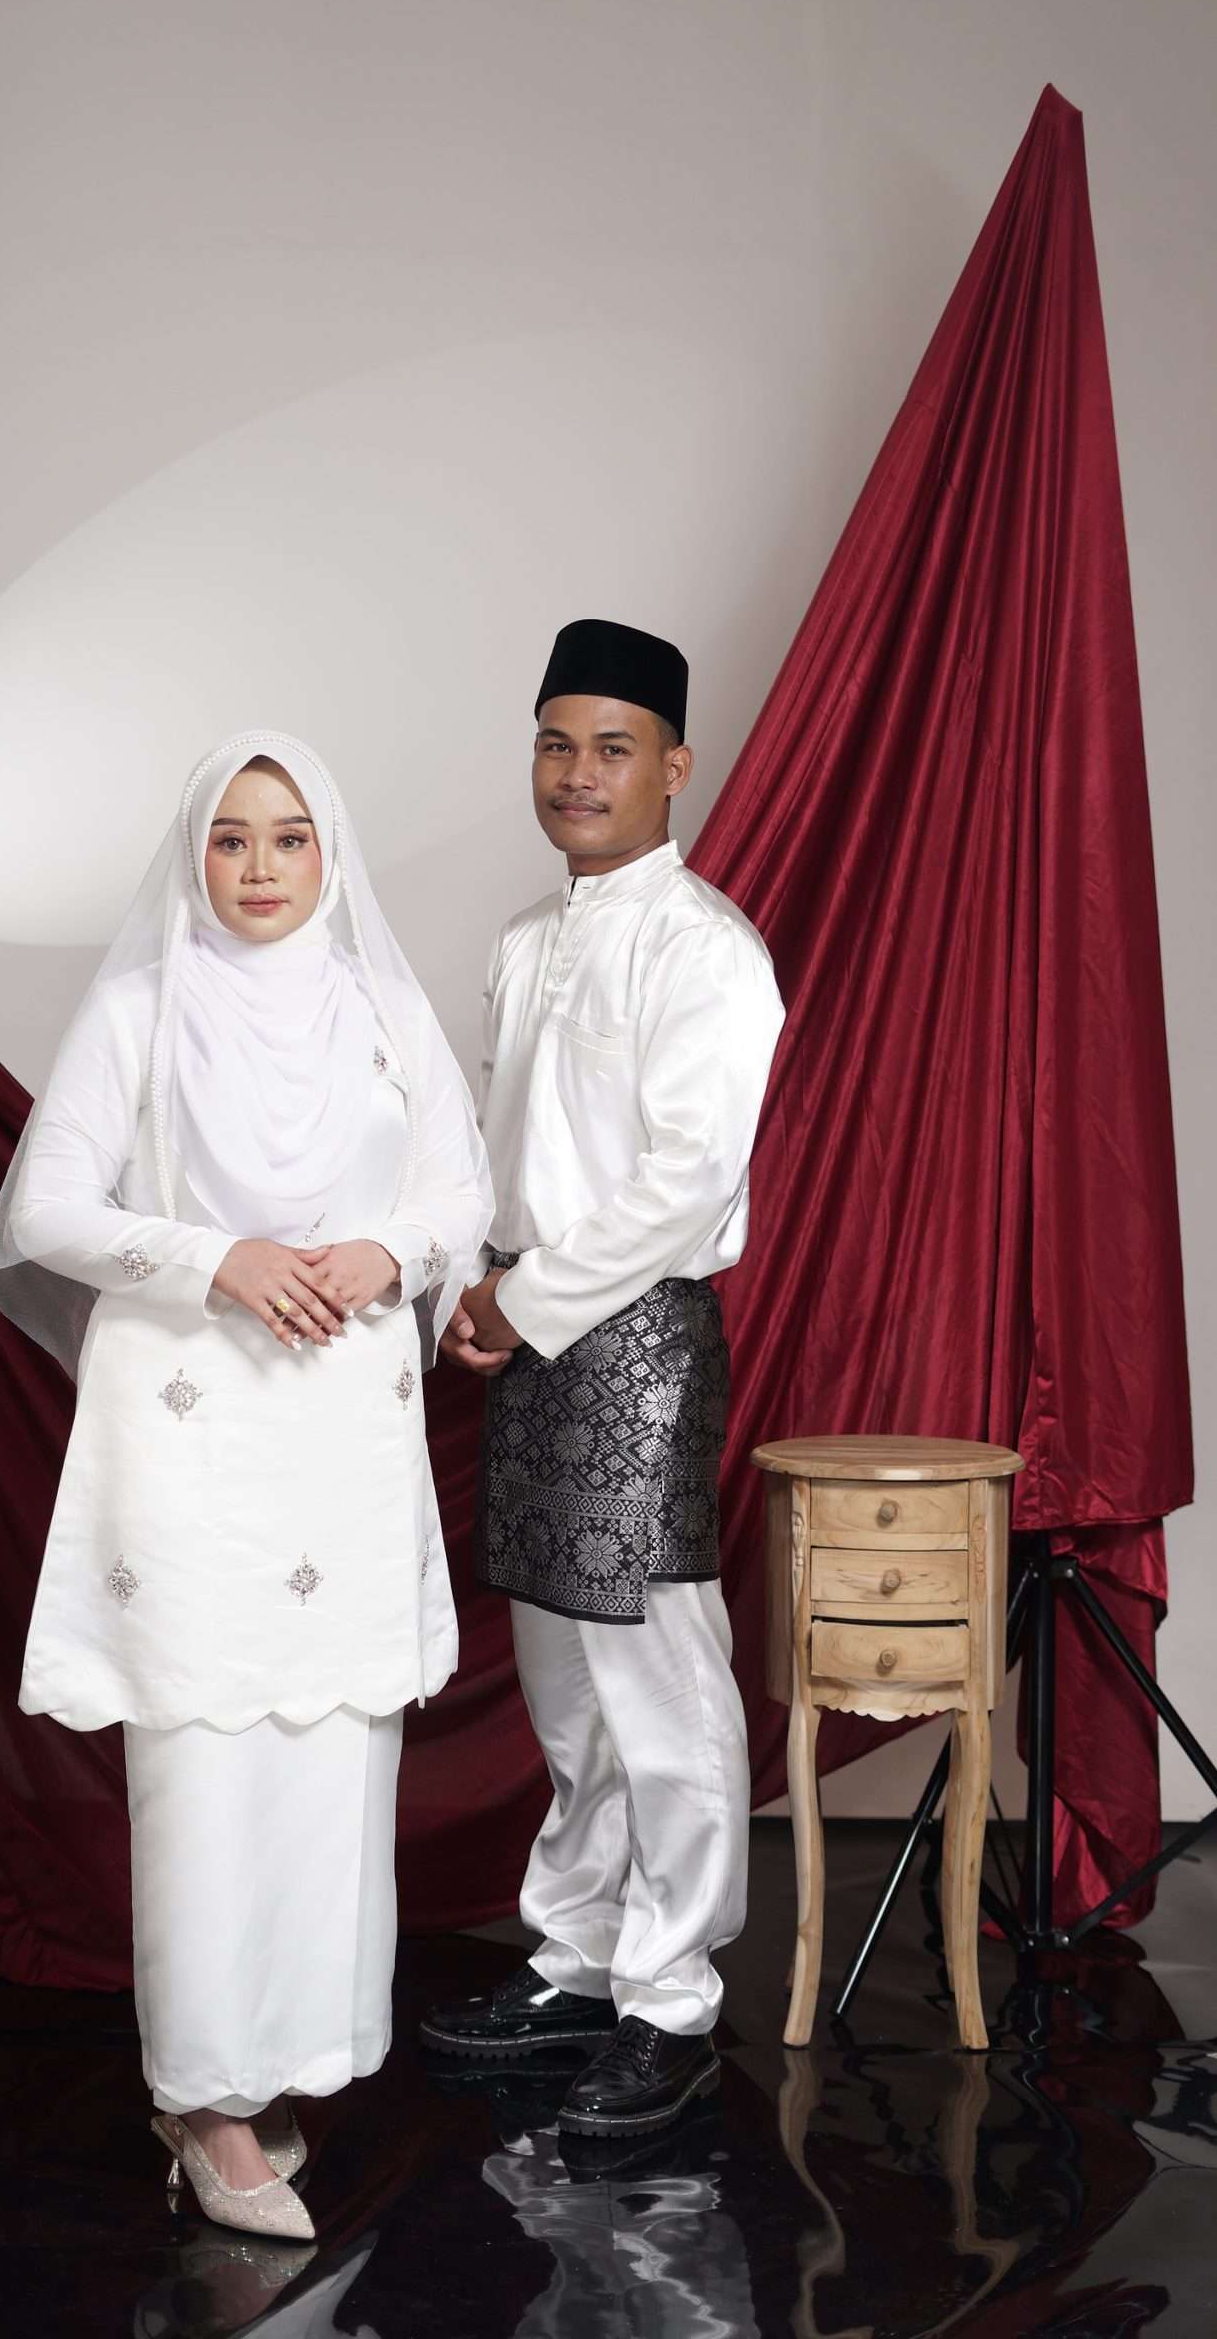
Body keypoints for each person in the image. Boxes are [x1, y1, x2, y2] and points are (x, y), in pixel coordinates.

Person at [0, 731, 492, 2237]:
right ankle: (203, 2107)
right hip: (192, 1435)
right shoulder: (139, 1007)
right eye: (231, 838)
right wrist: (220, 1259)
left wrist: (387, 1250)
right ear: (193, 854)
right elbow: (46, 1208)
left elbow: (458, 1188)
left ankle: (272, 2074)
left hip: (340, 1441)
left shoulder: (381, 1005)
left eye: (289, 836)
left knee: (328, 1755)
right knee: (201, 1763)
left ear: (332, 852)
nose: (261, 868)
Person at [420, 619, 783, 2138]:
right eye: (555, 744)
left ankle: (672, 1998)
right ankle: (576, 1962)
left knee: (661, 1685)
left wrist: (520, 1301)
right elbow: (490, 1152)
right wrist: (469, 1287)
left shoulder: (706, 949)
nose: (578, 774)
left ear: (673, 768)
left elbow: (686, 1186)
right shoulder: (525, 939)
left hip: (632, 1344)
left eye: (612, 748)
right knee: (565, 1687)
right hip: (525, 1327)